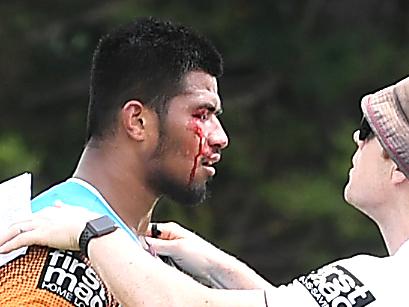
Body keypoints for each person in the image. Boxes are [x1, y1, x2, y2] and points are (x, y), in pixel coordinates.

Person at [3, 77, 409, 306]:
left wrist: (91, 233)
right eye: (202, 115)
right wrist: (217, 266)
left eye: (371, 129)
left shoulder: (388, 281)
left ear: (396, 164)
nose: (358, 138)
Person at [0, 16, 229, 306]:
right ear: (137, 121)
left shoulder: (161, 260)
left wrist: (219, 269)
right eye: (202, 114)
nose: (220, 137)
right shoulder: (42, 262)